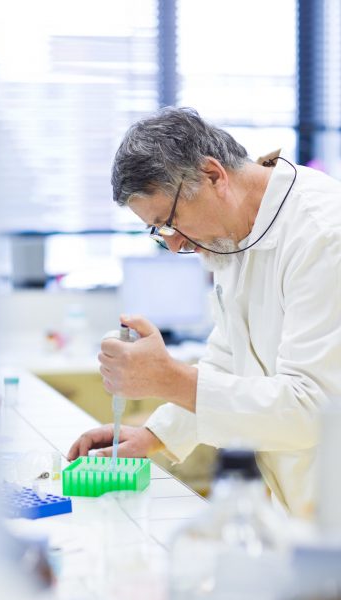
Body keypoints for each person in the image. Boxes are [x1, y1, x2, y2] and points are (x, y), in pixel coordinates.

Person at [68, 107, 341, 518]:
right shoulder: (233, 235)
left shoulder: (323, 234)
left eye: (171, 221)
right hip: (306, 506)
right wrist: (153, 434)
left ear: (214, 176)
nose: (174, 245)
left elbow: (313, 410)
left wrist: (169, 378)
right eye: (159, 231)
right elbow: (228, 361)